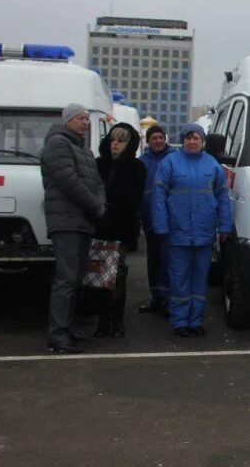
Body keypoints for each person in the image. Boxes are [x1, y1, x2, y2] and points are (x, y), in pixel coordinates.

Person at [151, 123, 233, 337]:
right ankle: (179, 321)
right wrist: (160, 225)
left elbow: (223, 198)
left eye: (196, 137)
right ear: (183, 140)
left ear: (202, 141)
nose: (192, 141)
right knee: (179, 279)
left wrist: (225, 225)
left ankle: (195, 320)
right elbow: (158, 197)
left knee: (200, 278)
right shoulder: (170, 163)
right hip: (177, 233)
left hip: (204, 234)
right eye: (188, 137)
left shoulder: (212, 165)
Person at [40, 103, 106, 353]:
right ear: (67, 120)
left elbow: (96, 181)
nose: (85, 123)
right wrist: (95, 206)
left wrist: (100, 202)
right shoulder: (58, 144)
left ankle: (67, 329)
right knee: (66, 280)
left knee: (75, 278)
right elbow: (69, 181)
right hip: (66, 221)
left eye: (87, 118)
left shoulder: (83, 148)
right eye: (80, 118)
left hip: (81, 221)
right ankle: (57, 335)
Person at [92, 123, 146, 338]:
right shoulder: (98, 164)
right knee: (99, 277)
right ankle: (102, 321)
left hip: (120, 228)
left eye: (121, 140)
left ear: (129, 144)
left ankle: (117, 320)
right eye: (113, 139)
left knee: (117, 275)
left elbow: (134, 200)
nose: (115, 144)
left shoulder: (136, 167)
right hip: (99, 227)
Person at [137, 125, 176, 314]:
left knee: (167, 259)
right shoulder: (142, 161)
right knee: (152, 259)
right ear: (148, 141)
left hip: (169, 219)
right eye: (154, 138)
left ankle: (167, 299)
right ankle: (155, 297)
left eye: (161, 137)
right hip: (149, 218)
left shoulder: (174, 158)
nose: (158, 141)